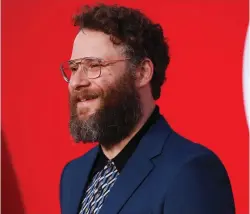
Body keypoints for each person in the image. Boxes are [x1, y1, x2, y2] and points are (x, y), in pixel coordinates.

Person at [59, 3, 235, 214]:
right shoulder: (73, 175)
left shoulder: (190, 172)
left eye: (94, 66)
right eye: (74, 68)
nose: (76, 82)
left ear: (142, 73)